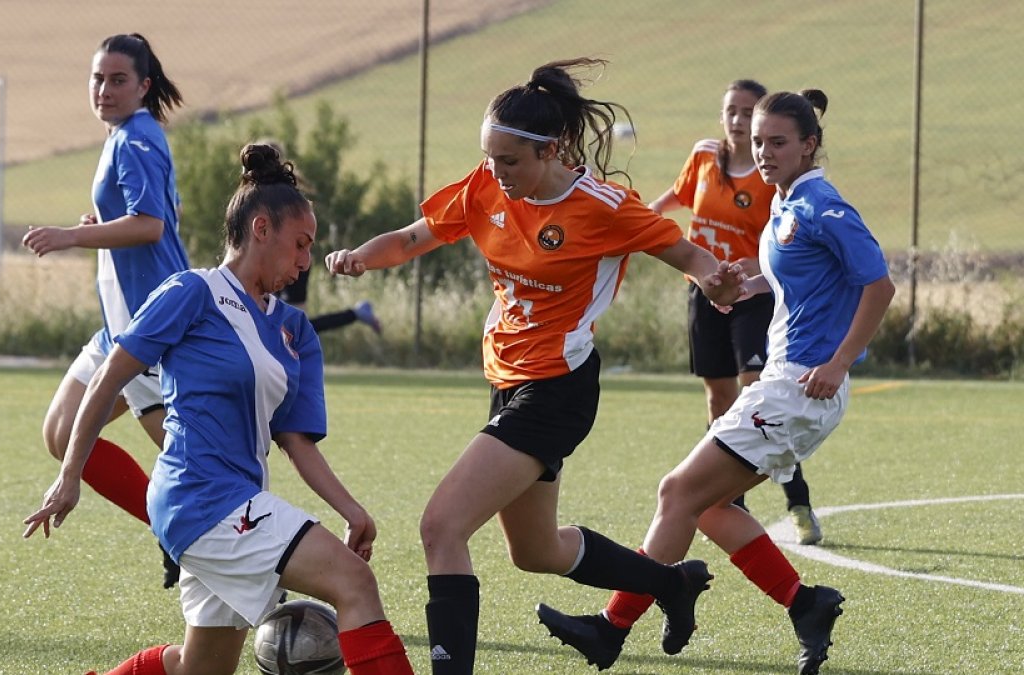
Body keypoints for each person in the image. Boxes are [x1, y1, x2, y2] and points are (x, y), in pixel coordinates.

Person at [325, 58, 740, 675]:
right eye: (490, 157)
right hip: (508, 381)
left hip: (557, 389)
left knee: (441, 527)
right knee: (535, 550)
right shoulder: (486, 187)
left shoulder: (601, 206)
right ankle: (670, 585)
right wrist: (360, 257)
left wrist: (716, 280)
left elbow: (682, 250)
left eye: (510, 161)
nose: (496, 172)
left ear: (552, 151)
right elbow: (413, 238)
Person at [536, 89, 896, 675]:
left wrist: (839, 362)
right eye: (758, 142)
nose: (763, 152)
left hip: (799, 390)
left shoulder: (821, 205)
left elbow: (878, 286)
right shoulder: (785, 203)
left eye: (778, 142)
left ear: (809, 145)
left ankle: (612, 627)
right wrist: (746, 284)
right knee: (707, 506)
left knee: (678, 493)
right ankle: (806, 605)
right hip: (787, 386)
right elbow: (804, 282)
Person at [23, 143, 416, 675]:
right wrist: (68, 477)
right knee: (354, 583)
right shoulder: (193, 292)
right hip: (198, 498)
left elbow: (296, 441)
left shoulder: (295, 329)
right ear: (260, 229)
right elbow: (107, 379)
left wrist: (352, 510)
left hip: (237, 499)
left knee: (198, 670)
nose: (306, 261)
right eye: (300, 245)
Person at [22, 33, 189, 589]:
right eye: (97, 78)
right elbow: (158, 215)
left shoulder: (137, 137)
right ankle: (177, 533)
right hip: (119, 326)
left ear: (143, 85)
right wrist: (98, 230)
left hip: (149, 327)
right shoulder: (126, 135)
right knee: (60, 433)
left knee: (199, 469)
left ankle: (251, 555)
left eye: (118, 80)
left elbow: (152, 225)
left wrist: (72, 236)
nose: (104, 89)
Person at [646, 79, 823, 546]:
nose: (739, 121)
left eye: (748, 113)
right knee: (718, 399)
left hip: (752, 297)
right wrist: (640, 221)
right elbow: (675, 198)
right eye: (731, 111)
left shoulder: (771, 177)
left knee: (758, 400)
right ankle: (727, 505)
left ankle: (798, 501)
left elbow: (781, 246)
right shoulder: (704, 157)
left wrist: (744, 270)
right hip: (703, 295)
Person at [277, 267, 383, 334]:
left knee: (295, 328)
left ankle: (356, 314)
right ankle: (356, 314)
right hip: (280, 258)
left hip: (289, 258)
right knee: (298, 329)